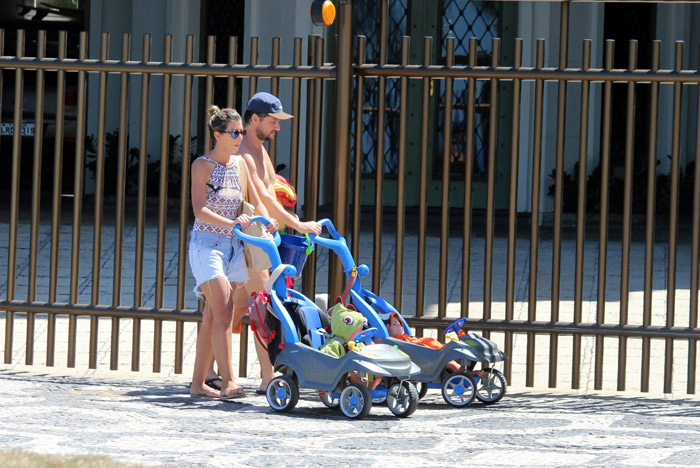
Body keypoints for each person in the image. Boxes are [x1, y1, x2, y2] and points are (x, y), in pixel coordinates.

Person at [233, 92, 323, 394]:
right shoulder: (245, 152)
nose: (278, 128)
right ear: (254, 119)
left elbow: (271, 191)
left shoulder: (260, 149)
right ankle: (268, 376)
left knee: (230, 308)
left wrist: (286, 219)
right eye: (273, 121)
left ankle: (208, 370)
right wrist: (297, 223)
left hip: (264, 236)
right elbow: (264, 197)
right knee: (264, 303)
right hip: (251, 238)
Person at [188, 106, 277, 399]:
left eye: (241, 132)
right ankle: (229, 382)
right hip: (206, 245)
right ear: (218, 135)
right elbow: (199, 210)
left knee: (213, 316)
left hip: (233, 247)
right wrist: (230, 223)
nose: (240, 137)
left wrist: (268, 221)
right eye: (234, 133)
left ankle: (198, 384)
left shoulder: (239, 164)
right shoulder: (202, 165)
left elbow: (257, 197)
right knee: (225, 310)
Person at [385, 312, 484, 377]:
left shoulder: (405, 336)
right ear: (387, 327)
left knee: (457, 353)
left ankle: (464, 369)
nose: (398, 326)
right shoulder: (395, 340)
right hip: (430, 357)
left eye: (399, 324)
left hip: (434, 351)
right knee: (450, 363)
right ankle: (467, 374)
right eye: (394, 324)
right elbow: (413, 348)